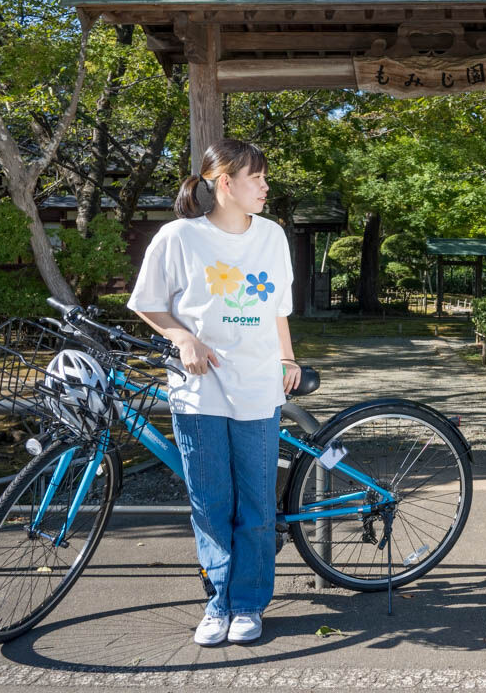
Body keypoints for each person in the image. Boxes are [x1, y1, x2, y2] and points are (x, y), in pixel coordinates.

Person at [127, 139, 300, 646]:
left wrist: (288, 358)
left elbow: (278, 310)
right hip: (197, 394)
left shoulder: (271, 236)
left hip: (257, 388)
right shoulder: (178, 237)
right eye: (258, 178)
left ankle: (247, 603)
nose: (266, 187)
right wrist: (182, 337)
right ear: (225, 183)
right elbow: (148, 303)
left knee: (255, 503)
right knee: (210, 502)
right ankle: (217, 602)